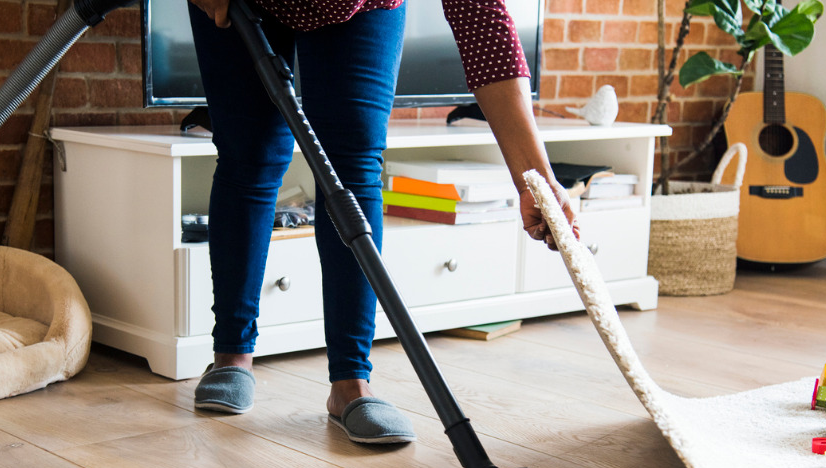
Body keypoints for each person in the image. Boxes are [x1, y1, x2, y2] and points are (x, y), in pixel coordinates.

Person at [188, 0, 579, 444]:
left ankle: (352, 382)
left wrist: (535, 179)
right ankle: (232, 356)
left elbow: (484, 27)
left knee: (351, 168)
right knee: (250, 157)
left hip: (361, 8)